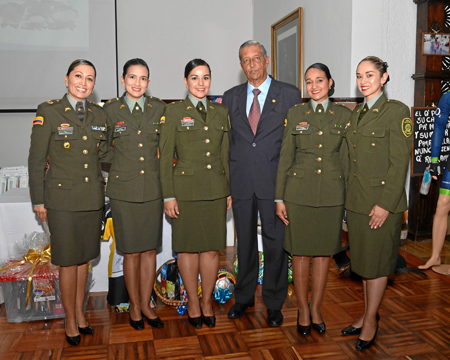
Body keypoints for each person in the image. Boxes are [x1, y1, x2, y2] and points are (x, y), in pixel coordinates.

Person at [28, 59, 110, 346]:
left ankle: (81, 313)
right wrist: (38, 199)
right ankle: (70, 320)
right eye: (78, 76)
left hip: (91, 198)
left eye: (89, 78)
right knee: (67, 261)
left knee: (84, 259)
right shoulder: (49, 111)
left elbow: (107, 154)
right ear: (66, 79)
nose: (83, 83)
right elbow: (36, 161)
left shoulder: (99, 115)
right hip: (61, 200)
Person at [222, 40, 301, 326]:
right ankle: (242, 298)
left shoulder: (290, 94)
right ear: (241, 65)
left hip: (275, 185)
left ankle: (274, 303)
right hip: (241, 183)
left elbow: (295, 144)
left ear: (267, 61)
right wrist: (226, 186)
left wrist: (289, 188)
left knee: (275, 244)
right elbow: (226, 144)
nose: (252, 64)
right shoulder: (229, 97)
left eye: (257, 58)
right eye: (246, 60)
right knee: (244, 245)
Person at [342, 56, 412, 350]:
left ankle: (370, 321)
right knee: (364, 265)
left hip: (383, 203)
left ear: (383, 78)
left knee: (379, 265)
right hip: (358, 202)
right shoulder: (356, 113)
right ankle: (366, 314)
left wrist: (385, 204)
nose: (363, 80)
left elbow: (400, 164)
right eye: (359, 75)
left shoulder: (396, 112)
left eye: (370, 74)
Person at [275, 63, 350, 335]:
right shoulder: (296, 114)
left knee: (323, 254)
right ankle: (303, 310)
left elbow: (347, 160)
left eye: (319, 80)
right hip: (298, 194)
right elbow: (286, 156)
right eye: (309, 81)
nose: (314, 86)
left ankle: (316, 307)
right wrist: (278, 197)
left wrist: (349, 199)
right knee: (300, 253)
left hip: (331, 193)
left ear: (330, 83)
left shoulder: (343, 115)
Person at [159, 59, 231, 328]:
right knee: (188, 251)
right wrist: (168, 195)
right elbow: (165, 158)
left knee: (212, 250)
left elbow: (225, 155)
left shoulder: (220, 113)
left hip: (215, 189)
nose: (200, 83)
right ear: (185, 81)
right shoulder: (174, 112)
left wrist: (227, 191)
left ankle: (207, 301)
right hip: (185, 191)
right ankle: (192, 301)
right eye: (194, 77)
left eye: (205, 77)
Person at [103, 58, 165, 330]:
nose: (137, 83)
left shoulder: (160, 108)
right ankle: (135, 307)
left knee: (149, 250)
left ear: (148, 82)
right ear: (122, 79)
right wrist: (122, 164)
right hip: (123, 190)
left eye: (142, 78)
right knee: (130, 252)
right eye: (132, 77)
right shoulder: (109, 110)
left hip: (152, 188)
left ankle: (147, 304)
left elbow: (166, 146)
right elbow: (101, 149)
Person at [419, 91, 450, 273]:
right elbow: (439, 127)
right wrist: (434, 160)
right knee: (442, 204)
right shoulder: (447, 97)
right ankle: (435, 256)